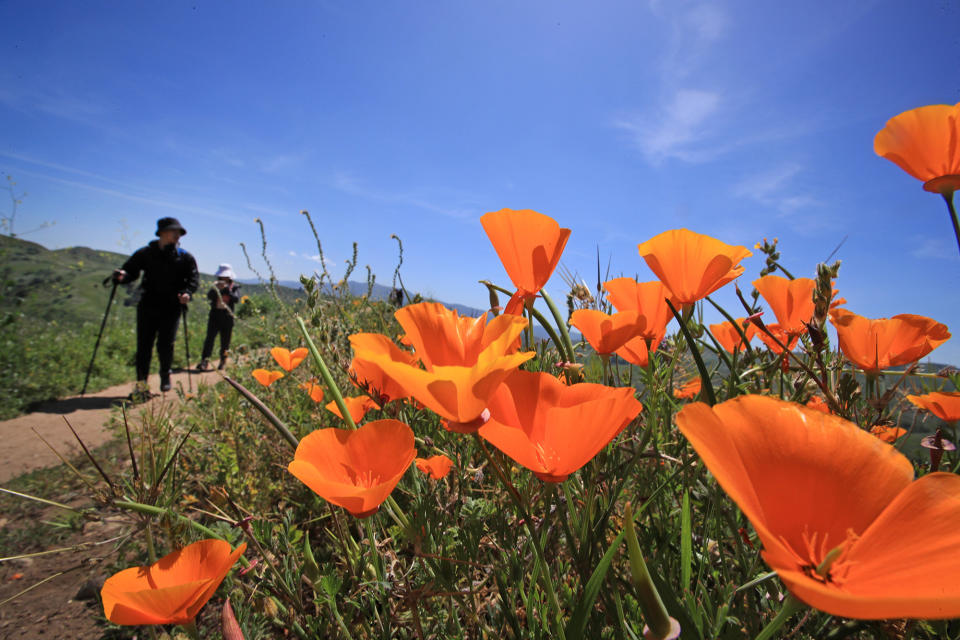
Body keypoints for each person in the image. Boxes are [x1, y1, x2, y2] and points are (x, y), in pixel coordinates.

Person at [113, 217, 199, 398]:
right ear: (162, 233)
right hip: (148, 306)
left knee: (166, 345)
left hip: (172, 308)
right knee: (144, 345)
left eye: (179, 232)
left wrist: (187, 293)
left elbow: (193, 281)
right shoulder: (145, 253)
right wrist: (122, 276)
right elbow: (131, 271)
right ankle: (142, 385)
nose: (177, 235)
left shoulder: (185, 257)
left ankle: (165, 374)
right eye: (174, 232)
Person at [197, 264, 240, 371]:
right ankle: (204, 361)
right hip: (215, 317)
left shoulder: (234, 287)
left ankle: (222, 361)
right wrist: (217, 289)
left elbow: (236, 299)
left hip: (227, 318)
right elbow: (209, 296)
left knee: (225, 341)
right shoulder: (215, 286)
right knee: (209, 340)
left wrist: (227, 291)